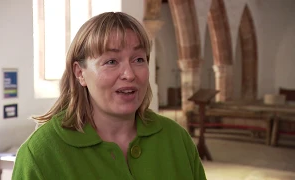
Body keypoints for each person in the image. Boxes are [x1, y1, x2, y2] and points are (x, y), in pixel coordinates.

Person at [12, 12, 207, 180]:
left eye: (138, 59)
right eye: (111, 61)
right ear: (80, 73)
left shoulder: (176, 138)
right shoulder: (41, 153)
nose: (129, 74)